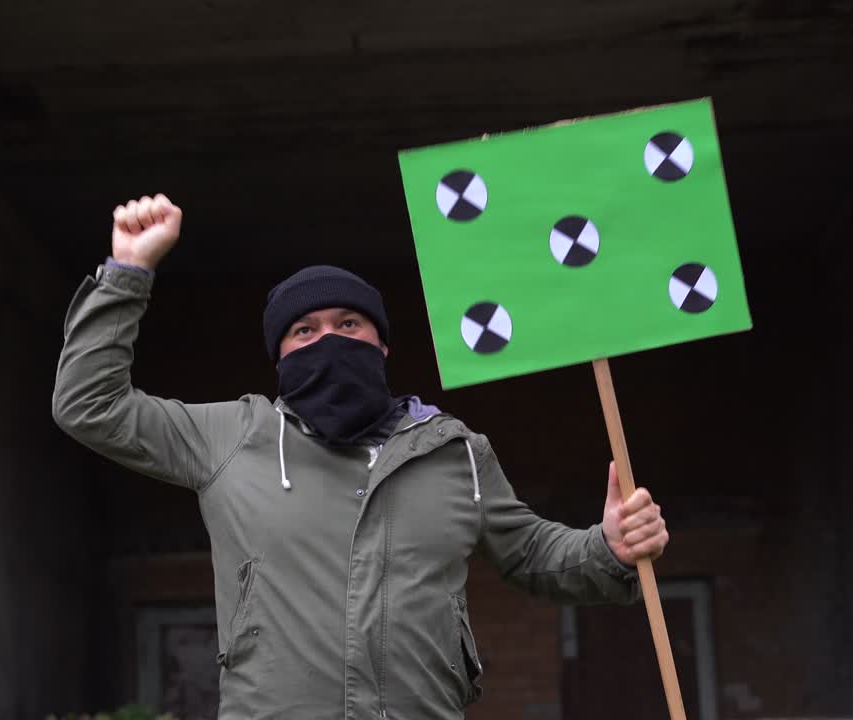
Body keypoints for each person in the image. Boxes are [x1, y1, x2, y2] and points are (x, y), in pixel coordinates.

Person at [52, 194, 670, 720]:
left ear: (382, 345)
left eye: (348, 324)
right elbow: (89, 404)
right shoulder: (229, 437)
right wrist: (128, 271)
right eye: (305, 330)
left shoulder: (455, 452)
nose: (328, 339)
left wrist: (609, 548)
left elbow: (533, 554)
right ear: (280, 357)